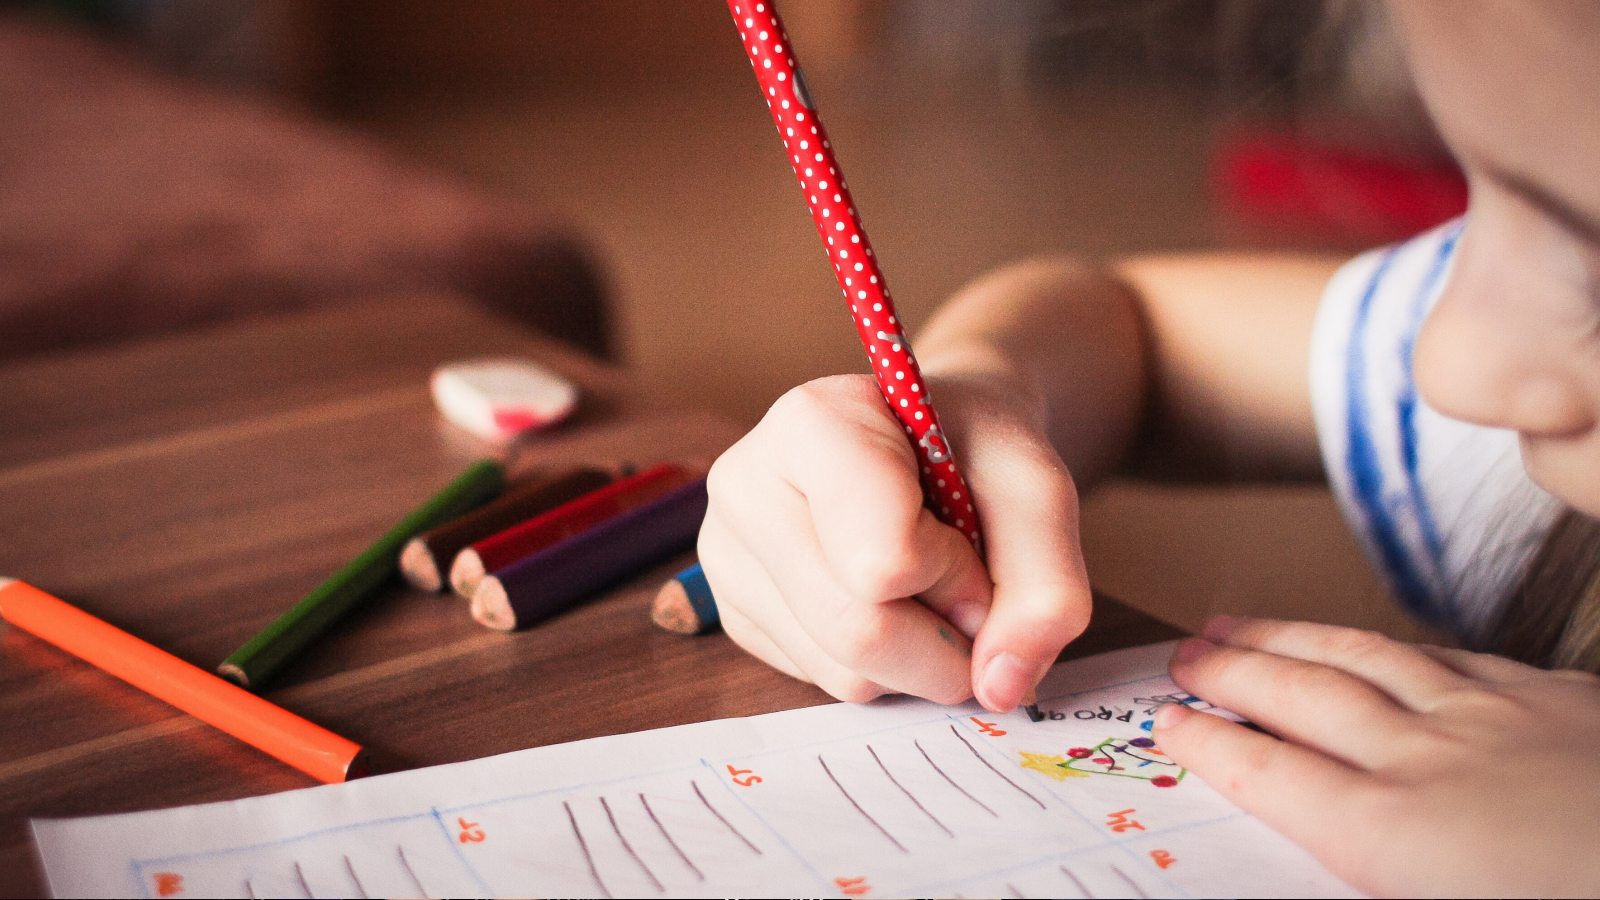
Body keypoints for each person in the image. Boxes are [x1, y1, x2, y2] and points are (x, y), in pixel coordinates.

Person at [696, 0, 1600, 895]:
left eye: (1592, 265)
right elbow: (1137, 331)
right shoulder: (1512, 371)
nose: (1444, 363)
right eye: (1476, 202)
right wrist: (985, 393)